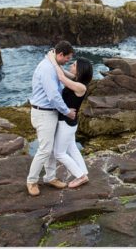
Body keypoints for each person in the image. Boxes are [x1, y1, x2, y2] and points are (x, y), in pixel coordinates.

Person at [26, 41, 76, 196]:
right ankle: (31, 181)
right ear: (60, 55)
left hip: (50, 113)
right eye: (67, 58)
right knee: (45, 149)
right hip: (44, 113)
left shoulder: (53, 64)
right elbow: (53, 96)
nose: (68, 61)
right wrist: (67, 111)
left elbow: (66, 80)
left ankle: (50, 177)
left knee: (52, 148)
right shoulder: (48, 69)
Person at [47, 50, 93, 188]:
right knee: (72, 147)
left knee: (59, 153)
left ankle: (80, 176)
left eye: (74, 64)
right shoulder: (76, 80)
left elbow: (61, 77)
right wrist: (54, 60)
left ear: (79, 70)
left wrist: (51, 59)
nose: (71, 65)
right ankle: (83, 171)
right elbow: (62, 71)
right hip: (70, 122)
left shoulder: (80, 86)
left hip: (66, 123)